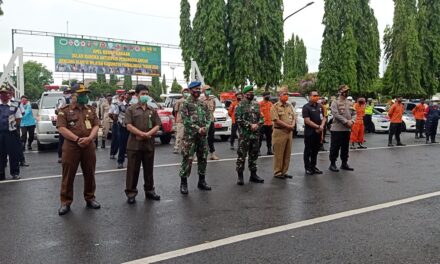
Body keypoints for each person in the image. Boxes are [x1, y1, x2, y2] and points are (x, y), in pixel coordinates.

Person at [56, 83, 100, 215]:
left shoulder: (91, 109)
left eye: (85, 94)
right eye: (81, 94)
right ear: (73, 95)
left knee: (89, 173)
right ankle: (65, 202)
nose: (84, 97)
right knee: (68, 175)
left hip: (88, 146)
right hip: (71, 146)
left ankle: (90, 198)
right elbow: (61, 128)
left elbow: (96, 126)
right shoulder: (64, 110)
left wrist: (90, 138)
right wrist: (76, 139)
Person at [125, 84, 161, 204]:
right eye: (142, 94)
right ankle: (131, 193)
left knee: (149, 169)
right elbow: (128, 125)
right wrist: (141, 133)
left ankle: (150, 190)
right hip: (134, 145)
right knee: (132, 170)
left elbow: (157, 125)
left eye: (147, 94)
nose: (145, 96)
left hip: (149, 144)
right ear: (137, 95)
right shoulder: (131, 109)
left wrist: (148, 133)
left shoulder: (152, 110)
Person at [178, 81, 212, 194]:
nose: (197, 91)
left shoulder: (203, 103)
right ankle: (184, 183)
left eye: (198, 89)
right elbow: (185, 120)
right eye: (195, 89)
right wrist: (198, 129)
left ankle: (201, 181)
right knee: (187, 159)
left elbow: (208, 117)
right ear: (190, 90)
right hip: (190, 137)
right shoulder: (185, 104)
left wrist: (206, 127)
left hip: (202, 136)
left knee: (203, 158)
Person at [235, 85, 265, 185]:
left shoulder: (256, 104)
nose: (251, 94)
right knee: (241, 156)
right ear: (244, 94)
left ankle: (253, 175)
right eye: (249, 93)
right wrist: (250, 125)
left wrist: (257, 124)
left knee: (254, 155)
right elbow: (238, 119)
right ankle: (240, 176)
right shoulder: (240, 105)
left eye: (252, 93)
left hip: (255, 135)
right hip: (244, 135)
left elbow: (261, 118)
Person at [271, 86, 296, 179]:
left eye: (287, 94)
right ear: (279, 95)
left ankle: (284, 171)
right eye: (284, 94)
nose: (286, 96)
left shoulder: (289, 106)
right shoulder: (275, 106)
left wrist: (292, 125)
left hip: (289, 132)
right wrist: (288, 126)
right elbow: (276, 120)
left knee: (287, 153)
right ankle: (277, 172)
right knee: (279, 154)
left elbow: (294, 117)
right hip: (279, 132)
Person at [329, 85, 355, 172]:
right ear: (340, 91)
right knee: (335, 147)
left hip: (346, 130)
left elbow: (354, 114)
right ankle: (332, 164)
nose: (347, 92)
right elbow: (336, 114)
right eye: (345, 91)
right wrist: (346, 121)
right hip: (337, 129)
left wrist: (352, 121)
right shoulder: (335, 102)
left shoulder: (350, 102)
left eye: (347, 91)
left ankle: (344, 163)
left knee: (345, 148)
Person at [0, 85, 22, 180]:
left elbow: (18, 118)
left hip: (11, 133)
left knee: (13, 154)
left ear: (9, 95)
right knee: (1, 154)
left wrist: (13, 127)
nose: (3, 96)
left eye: (5, 94)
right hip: (0, 133)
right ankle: (1, 174)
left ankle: (15, 173)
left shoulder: (14, 105)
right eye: (1, 94)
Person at [303, 90, 326, 175]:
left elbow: (324, 117)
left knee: (315, 151)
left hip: (318, 132)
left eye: (317, 95)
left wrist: (322, 126)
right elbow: (307, 120)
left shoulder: (320, 106)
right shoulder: (306, 107)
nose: (317, 97)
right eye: (314, 96)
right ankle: (307, 168)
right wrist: (317, 127)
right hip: (310, 133)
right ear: (310, 97)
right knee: (308, 151)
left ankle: (313, 166)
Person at [201, 85, 220, 160]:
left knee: (211, 138)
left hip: (211, 121)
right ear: (203, 91)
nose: (208, 91)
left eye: (209, 89)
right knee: (201, 138)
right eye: (206, 90)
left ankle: (212, 154)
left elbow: (213, 109)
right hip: (203, 121)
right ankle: (197, 155)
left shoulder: (212, 99)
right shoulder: (201, 100)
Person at [56, 88, 73, 163]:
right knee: (62, 140)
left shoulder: (73, 100)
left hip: (72, 123)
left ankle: (71, 156)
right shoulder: (61, 100)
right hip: (63, 123)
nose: (68, 94)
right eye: (67, 92)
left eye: (69, 92)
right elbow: (57, 111)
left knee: (72, 140)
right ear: (64, 93)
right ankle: (60, 156)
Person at [108, 89, 125, 159]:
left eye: (123, 94)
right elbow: (110, 114)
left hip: (125, 123)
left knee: (124, 138)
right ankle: (113, 153)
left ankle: (124, 153)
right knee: (116, 139)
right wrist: (115, 120)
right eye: (120, 94)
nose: (122, 96)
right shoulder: (114, 102)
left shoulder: (126, 102)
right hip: (117, 123)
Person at [173, 87, 190, 154]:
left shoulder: (190, 101)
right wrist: (176, 121)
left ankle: (184, 148)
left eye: (187, 92)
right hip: (180, 120)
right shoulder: (179, 101)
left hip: (188, 120)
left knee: (186, 135)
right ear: (182, 93)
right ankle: (176, 148)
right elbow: (175, 112)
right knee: (179, 135)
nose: (186, 93)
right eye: (184, 92)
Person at [259, 91, 273, 156]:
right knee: (260, 138)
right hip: (262, 124)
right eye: (268, 95)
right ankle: (258, 150)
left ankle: (269, 150)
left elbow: (273, 113)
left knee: (269, 137)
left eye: (269, 95)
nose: (269, 97)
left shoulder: (270, 104)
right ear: (263, 96)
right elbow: (259, 113)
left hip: (269, 124)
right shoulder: (260, 104)